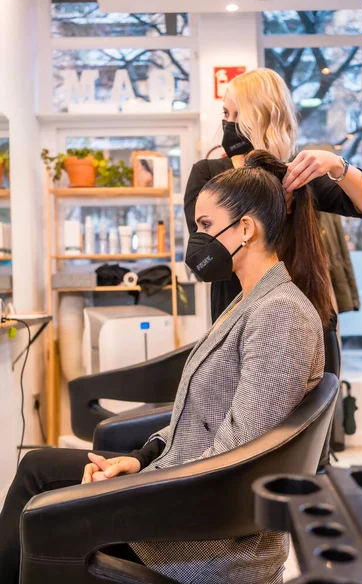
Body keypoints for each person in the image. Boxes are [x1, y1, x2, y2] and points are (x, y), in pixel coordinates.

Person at [0, 150, 330, 584]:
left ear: (245, 229)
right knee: (38, 469)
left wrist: (133, 487)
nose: (198, 238)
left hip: (207, 535)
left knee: (43, 509)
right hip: (185, 489)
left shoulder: (280, 314)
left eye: (206, 226)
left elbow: (235, 458)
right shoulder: (249, 301)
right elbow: (198, 419)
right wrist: (139, 461)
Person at [184, 68, 362, 323]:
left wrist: (335, 165)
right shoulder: (209, 175)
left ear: (264, 117)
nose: (228, 123)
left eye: (238, 114)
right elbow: (204, 262)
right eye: (225, 113)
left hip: (303, 312)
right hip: (237, 316)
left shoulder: (297, 174)